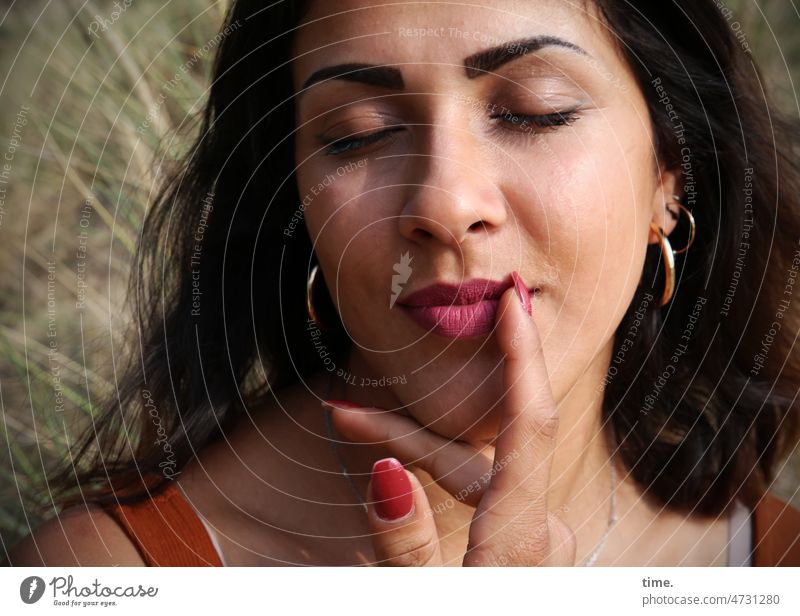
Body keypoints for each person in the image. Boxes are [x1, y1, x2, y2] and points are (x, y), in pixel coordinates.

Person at [9, 0, 800, 567]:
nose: (445, 205)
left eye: (533, 112)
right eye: (360, 135)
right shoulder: (108, 574)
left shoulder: (771, 564)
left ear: (673, 173)